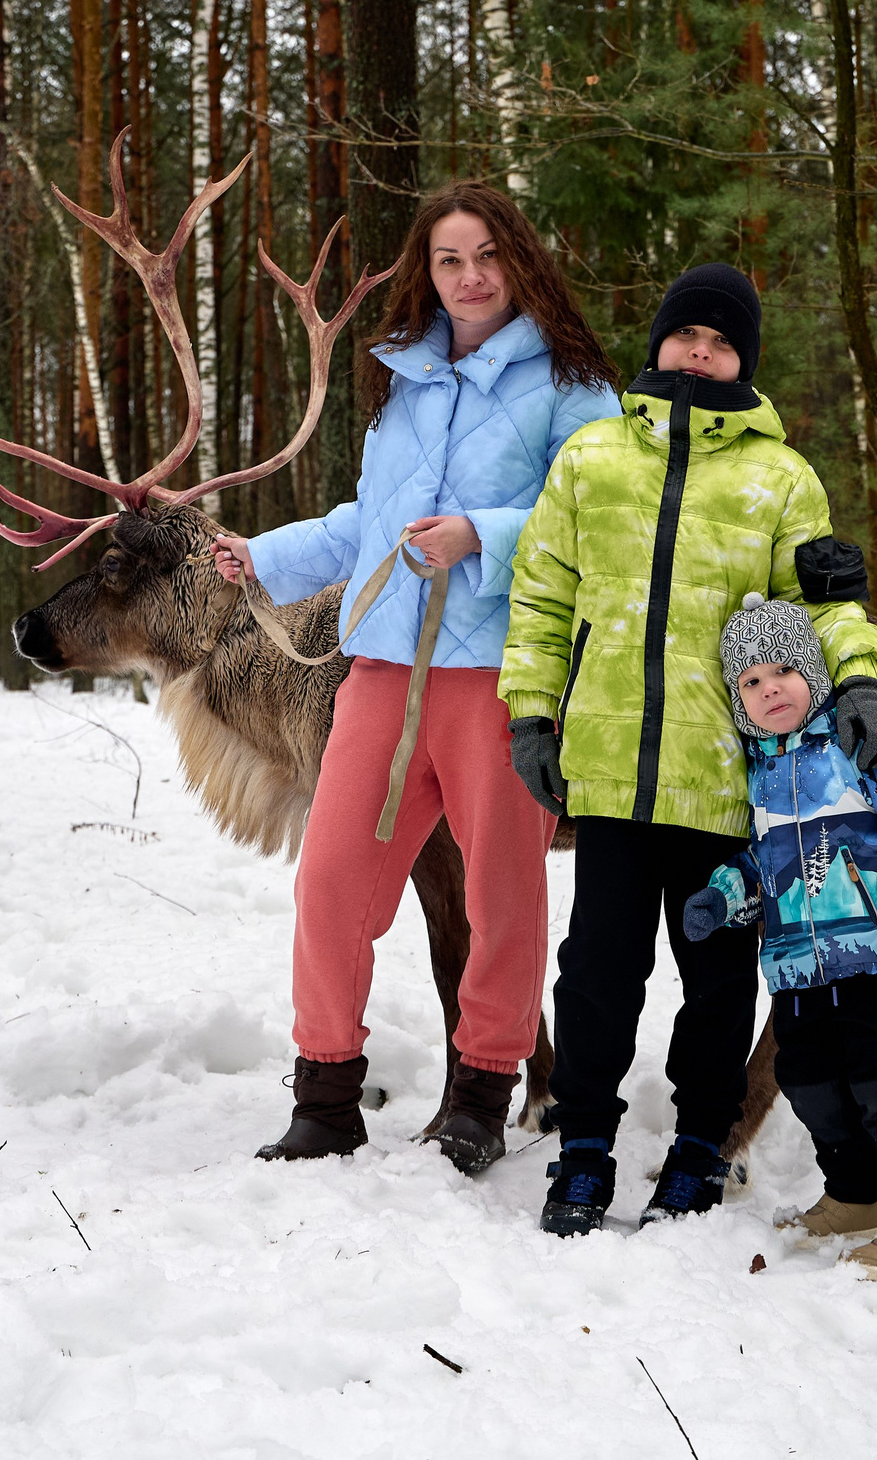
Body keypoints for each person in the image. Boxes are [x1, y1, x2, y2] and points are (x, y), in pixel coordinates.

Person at [499, 261, 877, 1236]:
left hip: (729, 783)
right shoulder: (592, 458)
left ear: (744, 360)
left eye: (722, 341)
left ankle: (699, 1147)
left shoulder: (781, 477)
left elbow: (823, 605)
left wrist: (860, 679)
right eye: (687, 332)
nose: (700, 350)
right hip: (610, 773)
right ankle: (583, 1148)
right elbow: (543, 595)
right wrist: (531, 712)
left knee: (719, 980)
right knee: (596, 973)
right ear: (659, 340)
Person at [210, 181, 619, 1171]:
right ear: (425, 275)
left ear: (518, 259)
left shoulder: (575, 386)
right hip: (385, 671)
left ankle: (482, 1094)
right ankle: (324, 1098)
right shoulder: (406, 380)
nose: (470, 277)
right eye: (449, 260)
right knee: (332, 882)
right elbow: (370, 524)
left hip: (502, 674)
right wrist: (264, 557)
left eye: (486, 256)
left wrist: (481, 533)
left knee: (500, 896)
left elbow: (601, 522)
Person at [682, 591, 877, 1280]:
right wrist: (723, 896)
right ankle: (854, 1195)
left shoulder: (860, 745)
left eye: (784, 670)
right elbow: (763, 861)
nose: (770, 688)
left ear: (814, 674)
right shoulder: (762, 777)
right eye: (751, 681)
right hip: (801, 970)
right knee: (808, 1081)